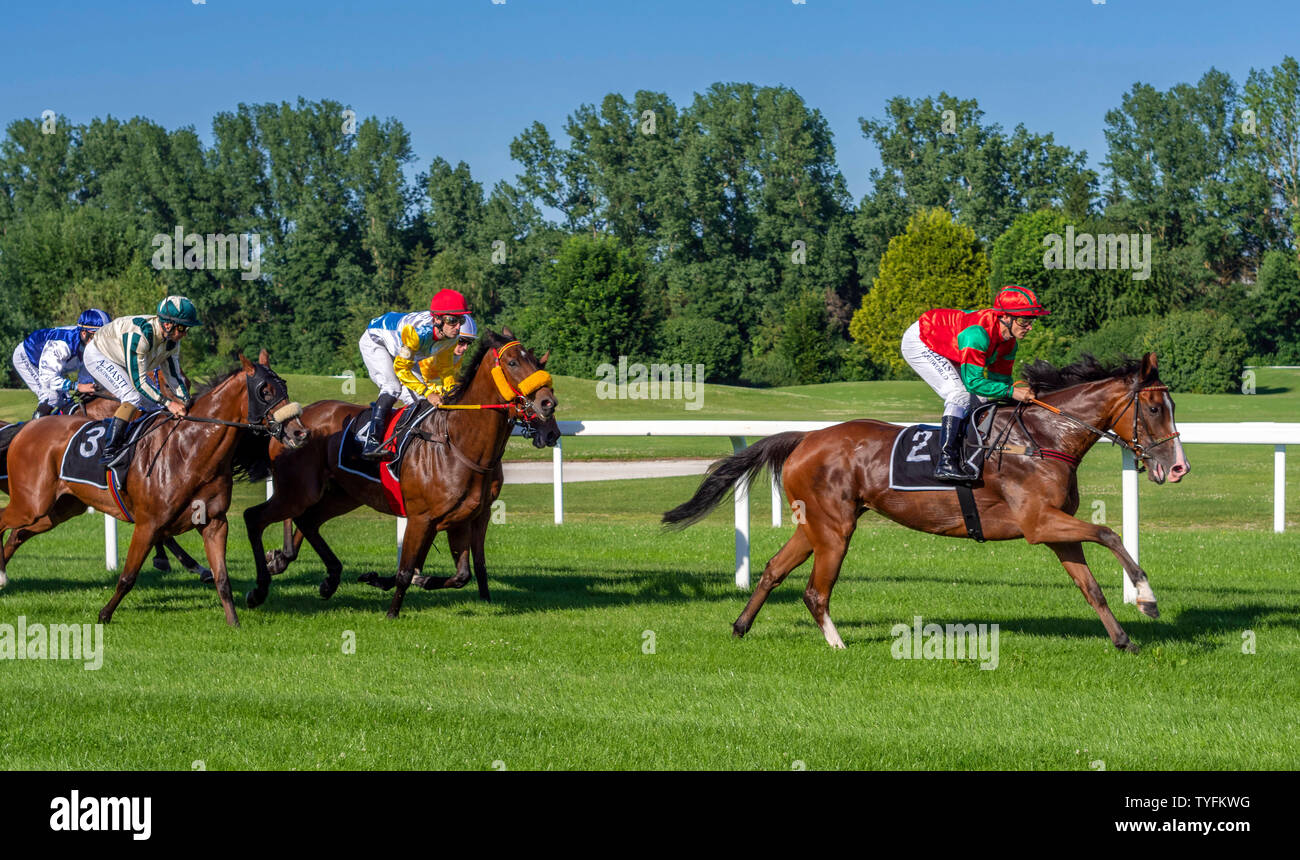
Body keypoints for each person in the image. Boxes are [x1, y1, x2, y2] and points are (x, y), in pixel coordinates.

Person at [900, 285, 1049, 481]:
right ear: (1005, 317)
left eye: (1031, 320)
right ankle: (946, 461)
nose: (1029, 327)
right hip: (922, 341)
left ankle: (972, 449)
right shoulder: (977, 335)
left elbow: (1000, 382)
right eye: (1023, 320)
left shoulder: (1009, 342)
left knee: (984, 397)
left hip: (950, 345)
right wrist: (1011, 392)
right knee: (959, 394)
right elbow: (973, 383)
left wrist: (1016, 390)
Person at [84, 296, 199, 465]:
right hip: (99, 355)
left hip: (123, 357)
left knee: (154, 406)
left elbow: (173, 376)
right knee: (132, 397)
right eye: (182, 328)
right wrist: (170, 403)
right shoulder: (141, 336)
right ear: (168, 324)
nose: (184, 334)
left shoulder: (172, 341)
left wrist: (186, 401)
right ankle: (110, 450)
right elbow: (140, 383)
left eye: (187, 329)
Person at [356, 289, 469, 460]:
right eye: (452, 320)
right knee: (392, 387)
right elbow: (401, 369)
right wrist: (428, 392)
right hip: (376, 341)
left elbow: (445, 369)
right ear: (437, 319)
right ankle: (371, 442)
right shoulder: (417, 334)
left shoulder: (451, 337)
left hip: (407, 352)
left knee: (418, 400)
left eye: (461, 320)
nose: (458, 326)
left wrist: (452, 392)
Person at [12, 309, 111, 418]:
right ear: (84, 333)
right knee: (51, 397)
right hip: (28, 357)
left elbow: (85, 379)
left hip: (51, 365)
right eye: (97, 336)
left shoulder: (89, 345)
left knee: (66, 401)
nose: (101, 343)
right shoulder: (61, 345)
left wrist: (88, 387)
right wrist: (76, 386)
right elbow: (48, 379)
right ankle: (32, 431)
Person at [414, 314, 478, 402]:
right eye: (461, 341)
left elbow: (452, 380)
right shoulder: (431, 356)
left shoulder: (458, 356)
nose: (465, 347)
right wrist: (441, 390)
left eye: (469, 342)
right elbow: (419, 382)